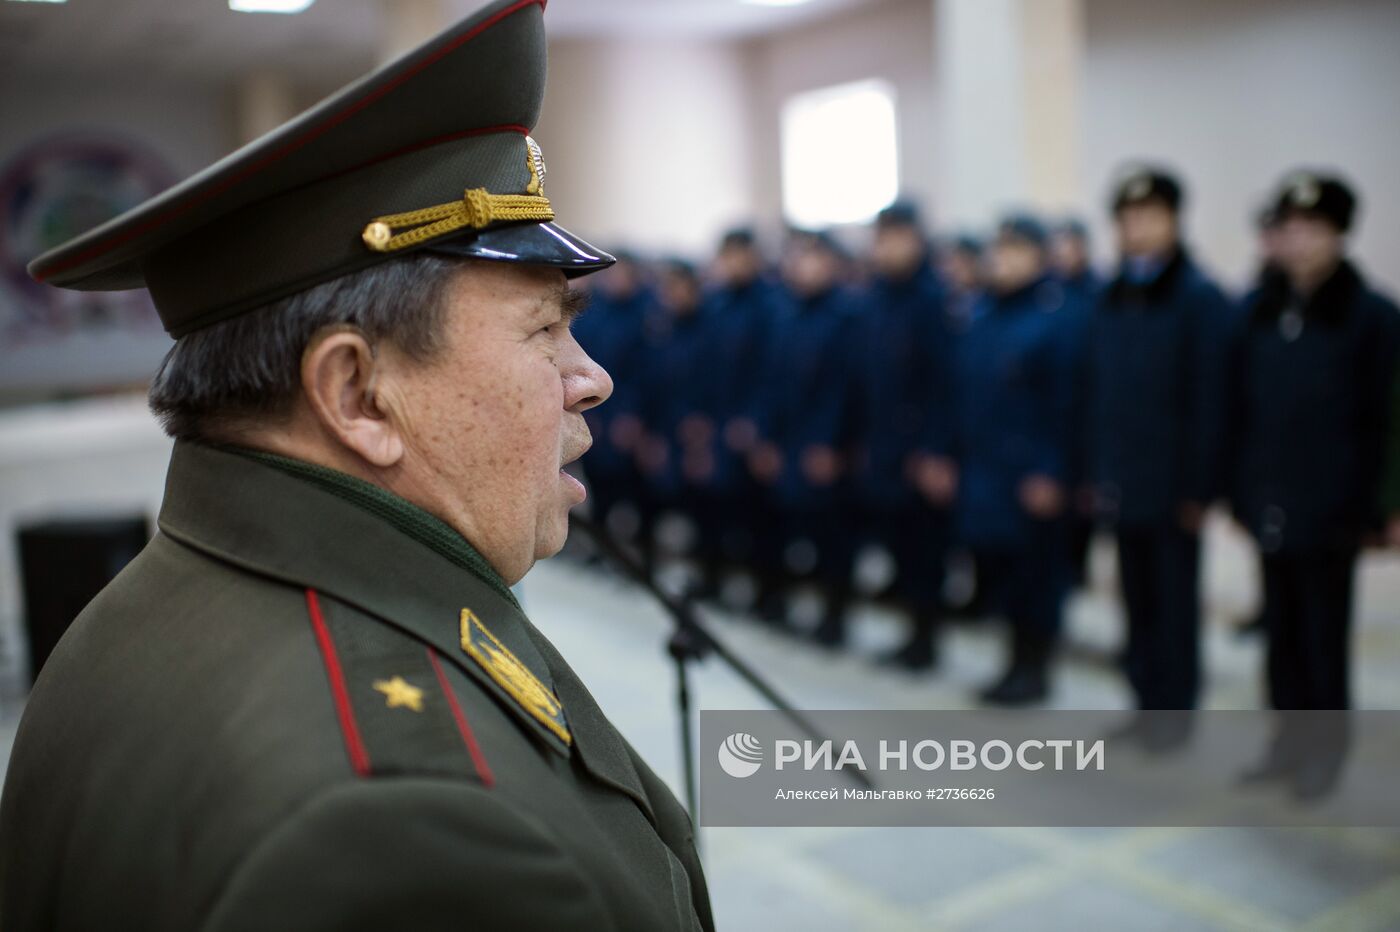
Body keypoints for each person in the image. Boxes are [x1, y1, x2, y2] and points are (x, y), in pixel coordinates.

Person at [0, 3, 713, 930]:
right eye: (545, 330)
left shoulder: (149, 606)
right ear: (358, 396)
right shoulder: (405, 827)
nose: (593, 380)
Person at [1228, 170, 1399, 799]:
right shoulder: (1260, 311)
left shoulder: (1371, 316)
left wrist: (1387, 506)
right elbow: (1239, 407)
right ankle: (1286, 742)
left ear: (1339, 235)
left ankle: (1325, 752)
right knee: (1282, 636)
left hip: (1335, 505)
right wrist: (1237, 490)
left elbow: (1388, 420)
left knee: (1324, 636)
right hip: (1269, 497)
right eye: (1289, 230)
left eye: (1313, 230)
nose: (1298, 242)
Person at [1085, 166, 1232, 748]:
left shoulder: (1198, 298)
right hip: (1123, 478)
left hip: (1174, 487)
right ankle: (1144, 703)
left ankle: (1175, 716)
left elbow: (1210, 400)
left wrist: (1200, 487)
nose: (1137, 229)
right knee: (1136, 602)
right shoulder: (1113, 296)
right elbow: (1099, 393)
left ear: (1173, 221)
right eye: (1127, 219)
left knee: (1174, 606)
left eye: (1149, 217)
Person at [952, 214, 1080, 705]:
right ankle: (1012, 664)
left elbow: (1064, 404)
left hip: (1032, 475)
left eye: (1017, 251)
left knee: (1038, 578)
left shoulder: (1055, 319)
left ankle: (1035, 667)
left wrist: (1052, 470)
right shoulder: (982, 315)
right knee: (1002, 575)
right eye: (999, 251)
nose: (1004, 261)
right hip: (988, 473)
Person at [748, 229, 861, 646]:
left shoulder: (847, 316)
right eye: (798, 258)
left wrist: (829, 443)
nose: (804, 266)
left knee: (831, 537)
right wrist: (765, 437)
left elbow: (846, 388)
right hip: (785, 440)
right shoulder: (784, 312)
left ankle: (833, 618)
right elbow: (769, 380)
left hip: (825, 446)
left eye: (814, 258)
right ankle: (781, 603)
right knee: (783, 528)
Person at [855, 201, 955, 670]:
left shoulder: (934, 299)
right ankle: (910, 635)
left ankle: (926, 641)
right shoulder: (875, 298)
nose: (888, 247)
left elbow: (945, 382)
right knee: (898, 548)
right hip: (884, 447)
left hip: (921, 451)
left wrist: (936, 449)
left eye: (897, 237)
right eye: (882, 238)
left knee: (925, 552)